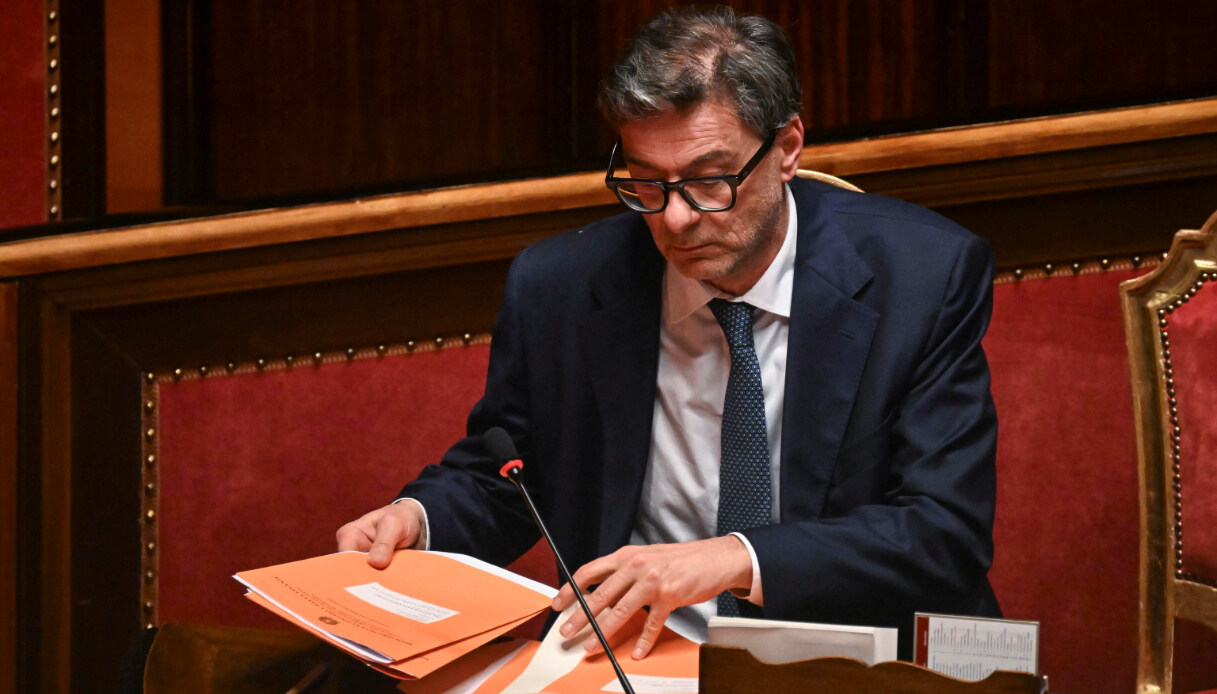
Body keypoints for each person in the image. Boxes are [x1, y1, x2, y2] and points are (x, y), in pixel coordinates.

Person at [337, 5, 1000, 660]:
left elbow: (943, 533)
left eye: (710, 181)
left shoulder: (922, 278)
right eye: (646, 182)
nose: (675, 219)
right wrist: (418, 520)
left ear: (787, 149)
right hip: (636, 657)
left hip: (850, 657)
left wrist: (732, 559)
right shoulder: (561, 287)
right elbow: (508, 477)